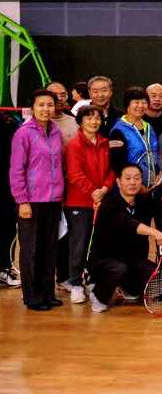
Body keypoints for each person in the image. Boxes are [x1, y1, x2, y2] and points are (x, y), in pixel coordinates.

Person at [85, 164, 162, 313]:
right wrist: (154, 233)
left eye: (137, 178)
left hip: (133, 261)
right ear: (118, 182)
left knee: (155, 275)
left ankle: (128, 288)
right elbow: (128, 223)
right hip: (105, 262)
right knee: (118, 269)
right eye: (128, 178)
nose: (132, 182)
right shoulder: (109, 204)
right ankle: (98, 296)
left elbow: (160, 208)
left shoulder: (145, 201)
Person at [11, 89, 66, 311]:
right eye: (41, 105)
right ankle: (33, 297)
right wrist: (22, 201)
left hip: (54, 200)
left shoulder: (55, 132)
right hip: (32, 200)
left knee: (50, 249)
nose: (46, 109)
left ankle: (47, 293)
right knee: (32, 250)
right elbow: (16, 170)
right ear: (32, 108)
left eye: (50, 105)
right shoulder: (23, 133)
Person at [61, 105, 114, 303]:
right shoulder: (74, 145)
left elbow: (111, 171)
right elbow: (74, 174)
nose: (94, 122)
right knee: (79, 244)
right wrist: (93, 192)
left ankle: (90, 278)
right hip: (79, 202)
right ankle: (75, 283)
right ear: (80, 121)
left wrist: (104, 189)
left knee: (96, 244)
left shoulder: (104, 142)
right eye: (89, 118)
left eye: (97, 118)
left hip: (101, 200)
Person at [108, 87, 161, 180]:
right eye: (136, 102)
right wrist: (135, 182)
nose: (140, 106)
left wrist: (157, 173)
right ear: (127, 105)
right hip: (132, 183)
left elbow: (155, 154)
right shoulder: (118, 130)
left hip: (152, 182)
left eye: (144, 102)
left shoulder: (149, 127)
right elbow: (117, 164)